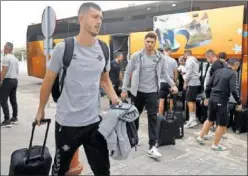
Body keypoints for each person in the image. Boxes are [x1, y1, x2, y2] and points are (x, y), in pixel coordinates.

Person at [34, 3, 120, 175]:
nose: (99, 21)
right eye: (95, 17)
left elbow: (104, 80)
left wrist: (116, 100)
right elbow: (48, 81)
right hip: (67, 125)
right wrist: (40, 109)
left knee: (103, 171)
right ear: (81, 19)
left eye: (101, 18)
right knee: (59, 171)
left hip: (94, 123)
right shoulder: (64, 48)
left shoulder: (103, 49)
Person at [121, 32, 178, 158]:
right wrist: (124, 89)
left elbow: (164, 73)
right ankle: (133, 138)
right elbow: (127, 72)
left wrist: (173, 84)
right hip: (138, 92)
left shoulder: (160, 57)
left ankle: (152, 146)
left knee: (153, 118)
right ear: (144, 42)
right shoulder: (137, 56)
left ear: (155, 43)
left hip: (152, 92)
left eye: (152, 42)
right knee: (134, 116)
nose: (149, 44)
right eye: (147, 41)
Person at [196, 58, 242, 151]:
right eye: (238, 65)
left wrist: (207, 97)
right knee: (221, 124)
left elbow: (208, 85)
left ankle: (200, 137)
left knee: (210, 119)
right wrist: (239, 101)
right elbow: (234, 90)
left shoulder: (218, 71)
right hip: (221, 100)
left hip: (212, 98)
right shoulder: (233, 73)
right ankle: (215, 145)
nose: (238, 67)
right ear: (236, 64)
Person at [0, 42, 19, 127]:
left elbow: (4, 70)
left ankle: (7, 120)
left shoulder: (6, 58)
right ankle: (14, 118)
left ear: (7, 48)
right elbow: (17, 71)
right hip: (15, 80)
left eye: (4, 47)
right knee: (13, 99)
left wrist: (0, 80)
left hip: (7, 81)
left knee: (3, 100)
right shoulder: (15, 58)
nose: (3, 49)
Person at [183, 50, 201, 128]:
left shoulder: (189, 60)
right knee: (193, 101)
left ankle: (191, 120)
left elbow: (189, 71)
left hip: (192, 82)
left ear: (186, 54)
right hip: (196, 82)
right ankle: (193, 119)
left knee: (189, 101)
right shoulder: (195, 60)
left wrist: (185, 81)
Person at [158, 47, 178, 115]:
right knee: (171, 99)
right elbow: (175, 72)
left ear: (164, 51)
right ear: (170, 51)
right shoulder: (173, 61)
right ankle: (171, 114)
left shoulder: (160, 60)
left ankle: (160, 116)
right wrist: (174, 82)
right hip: (170, 82)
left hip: (162, 82)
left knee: (161, 100)